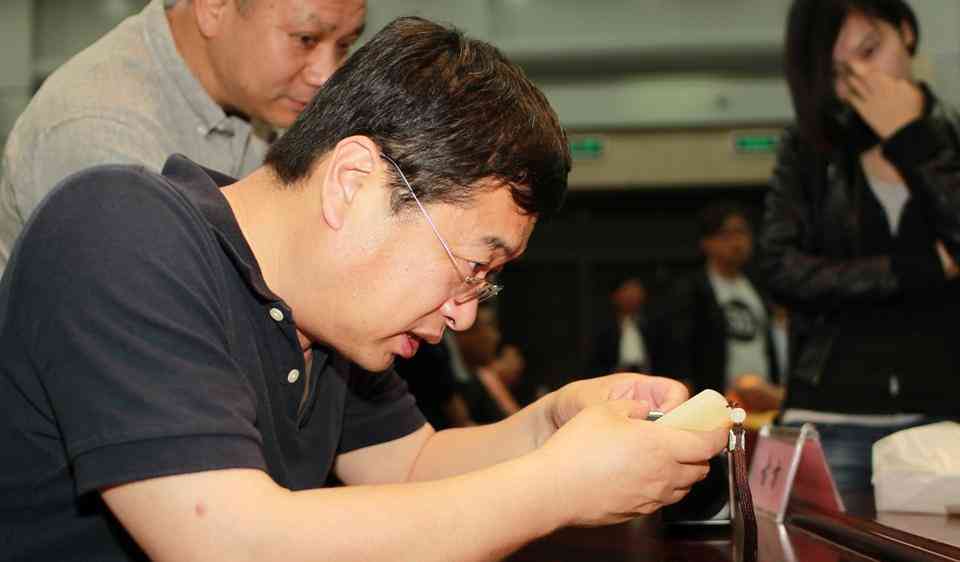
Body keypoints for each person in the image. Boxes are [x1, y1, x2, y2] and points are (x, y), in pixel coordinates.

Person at [0, 17, 729, 561]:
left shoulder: (329, 322)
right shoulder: (119, 230)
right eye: (471, 265)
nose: (464, 313)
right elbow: (228, 542)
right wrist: (558, 486)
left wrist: (555, 424)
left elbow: (411, 466)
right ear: (353, 183)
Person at [761, 0, 960, 507]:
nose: (862, 78)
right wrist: (917, 270)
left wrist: (912, 141)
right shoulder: (808, 151)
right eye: (838, 71)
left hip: (943, 424)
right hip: (830, 420)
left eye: (871, 50)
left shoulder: (952, 140)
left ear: (906, 31)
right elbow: (781, 269)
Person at [0, 0, 366, 273]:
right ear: (214, 7)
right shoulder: (102, 133)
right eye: (306, 39)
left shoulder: (252, 94)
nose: (326, 74)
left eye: (345, 44)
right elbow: (156, 317)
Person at [667, 203, 782, 409]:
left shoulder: (757, 287)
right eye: (726, 234)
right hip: (715, 399)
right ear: (707, 242)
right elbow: (679, 348)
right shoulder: (693, 289)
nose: (737, 242)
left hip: (761, 400)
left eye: (742, 233)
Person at [454, 304, 522, 423]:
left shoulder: (486, 374)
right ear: (463, 334)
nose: (496, 337)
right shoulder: (457, 386)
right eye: (488, 326)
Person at [588, 277, 664, 377]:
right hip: (613, 378)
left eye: (635, 291)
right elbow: (594, 364)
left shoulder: (655, 326)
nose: (631, 296)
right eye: (626, 290)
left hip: (651, 377)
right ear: (615, 296)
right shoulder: (603, 328)